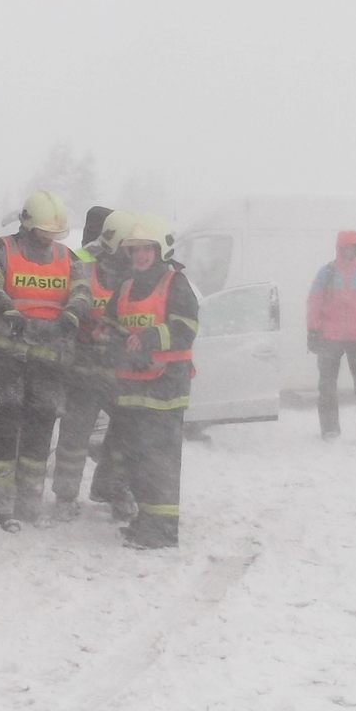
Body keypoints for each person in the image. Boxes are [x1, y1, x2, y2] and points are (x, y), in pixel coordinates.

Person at [0, 189, 92, 531]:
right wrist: (3, 306)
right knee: (4, 428)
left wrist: (73, 314)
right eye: (43, 233)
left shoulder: (68, 258)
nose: (48, 241)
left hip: (50, 361)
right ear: (27, 226)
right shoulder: (1, 250)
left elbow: (83, 291)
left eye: (54, 235)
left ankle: (29, 505)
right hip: (8, 356)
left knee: (40, 432)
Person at [105, 213, 198, 549]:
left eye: (147, 249)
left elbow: (186, 329)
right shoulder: (126, 286)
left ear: (160, 251)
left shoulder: (175, 284)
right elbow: (111, 324)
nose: (141, 255)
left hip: (165, 390)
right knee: (138, 461)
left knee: (159, 462)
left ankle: (161, 532)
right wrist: (118, 341)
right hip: (132, 389)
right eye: (135, 250)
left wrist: (149, 339)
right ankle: (146, 521)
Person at [51, 206, 128, 522]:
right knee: (74, 437)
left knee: (126, 433)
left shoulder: (137, 267)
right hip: (83, 365)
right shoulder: (80, 263)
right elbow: (65, 308)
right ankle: (65, 498)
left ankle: (114, 490)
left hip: (118, 368)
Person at [306, 230, 356, 440]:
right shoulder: (327, 273)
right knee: (327, 387)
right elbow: (314, 301)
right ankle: (330, 429)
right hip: (329, 338)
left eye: (354, 247)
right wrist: (313, 330)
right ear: (339, 248)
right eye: (346, 247)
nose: (350, 251)